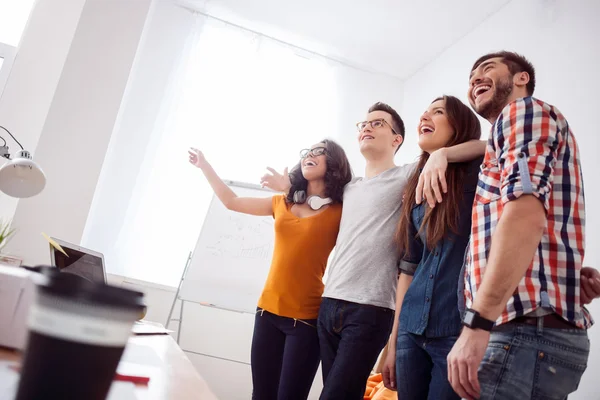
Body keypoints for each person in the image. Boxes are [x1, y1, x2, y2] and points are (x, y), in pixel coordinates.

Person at [265, 102, 485, 400]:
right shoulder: (347, 189)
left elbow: (485, 146)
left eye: (378, 123)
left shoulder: (410, 174)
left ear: (397, 139)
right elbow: (314, 192)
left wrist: (440, 155)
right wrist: (290, 187)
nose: (367, 127)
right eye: (364, 124)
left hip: (370, 308)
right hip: (329, 304)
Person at [447, 51, 592, 400]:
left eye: (486, 70)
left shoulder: (521, 111)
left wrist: (477, 323)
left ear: (521, 78)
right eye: (470, 79)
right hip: (532, 335)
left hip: (521, 334)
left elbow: (524, 214)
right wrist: (567, 277)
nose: (474, 81)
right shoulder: (512, 131)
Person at [188, 139, 352, 400]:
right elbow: (231, 201)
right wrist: (205, 166)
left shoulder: (340, 211)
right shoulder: (281, 203)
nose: (310, 154)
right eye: (308, 151)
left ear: (334, 162)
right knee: (261, 395)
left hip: (305, 322)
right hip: (266, 313)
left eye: (320, 151)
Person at [381, 95, 482, 399]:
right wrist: (393, 342)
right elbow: (409, 268)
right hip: (411, 329)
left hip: (456, 331)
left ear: (460, 124)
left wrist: (444, 155)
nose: (425, 117)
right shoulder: (415, 187)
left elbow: (494, 144)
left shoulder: (480, 172)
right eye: (423, 113)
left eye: (437, 112)